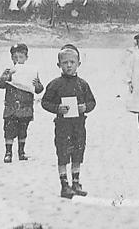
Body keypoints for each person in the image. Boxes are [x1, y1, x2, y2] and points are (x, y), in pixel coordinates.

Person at [41, 46, 97, 198]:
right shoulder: (55, 84)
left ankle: (76, 182)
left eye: (72, 62)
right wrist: (57, 108)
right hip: (62, 126)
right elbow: (45, 102)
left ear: (79, 63)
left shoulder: (82, 84)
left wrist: (85, 107)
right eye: (65, 62)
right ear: (58, 65)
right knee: (63, 154)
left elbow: (92, 102)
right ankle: (64, 185)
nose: (69, 65)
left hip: (79, 125)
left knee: (78, 153)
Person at [0, 42, 43, 162]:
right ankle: (8, 152)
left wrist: (37, 85)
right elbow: (0, 84)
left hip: (25, 107)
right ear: (11, 58)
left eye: (21, 57)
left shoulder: (31, 71)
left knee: (23, 129)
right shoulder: (9, 71)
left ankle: (21, 152)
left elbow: (38, 89)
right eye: (15, 57)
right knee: (9, 129)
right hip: (11, 107)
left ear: (26, 58)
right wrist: (6, 76)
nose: (18, 60)